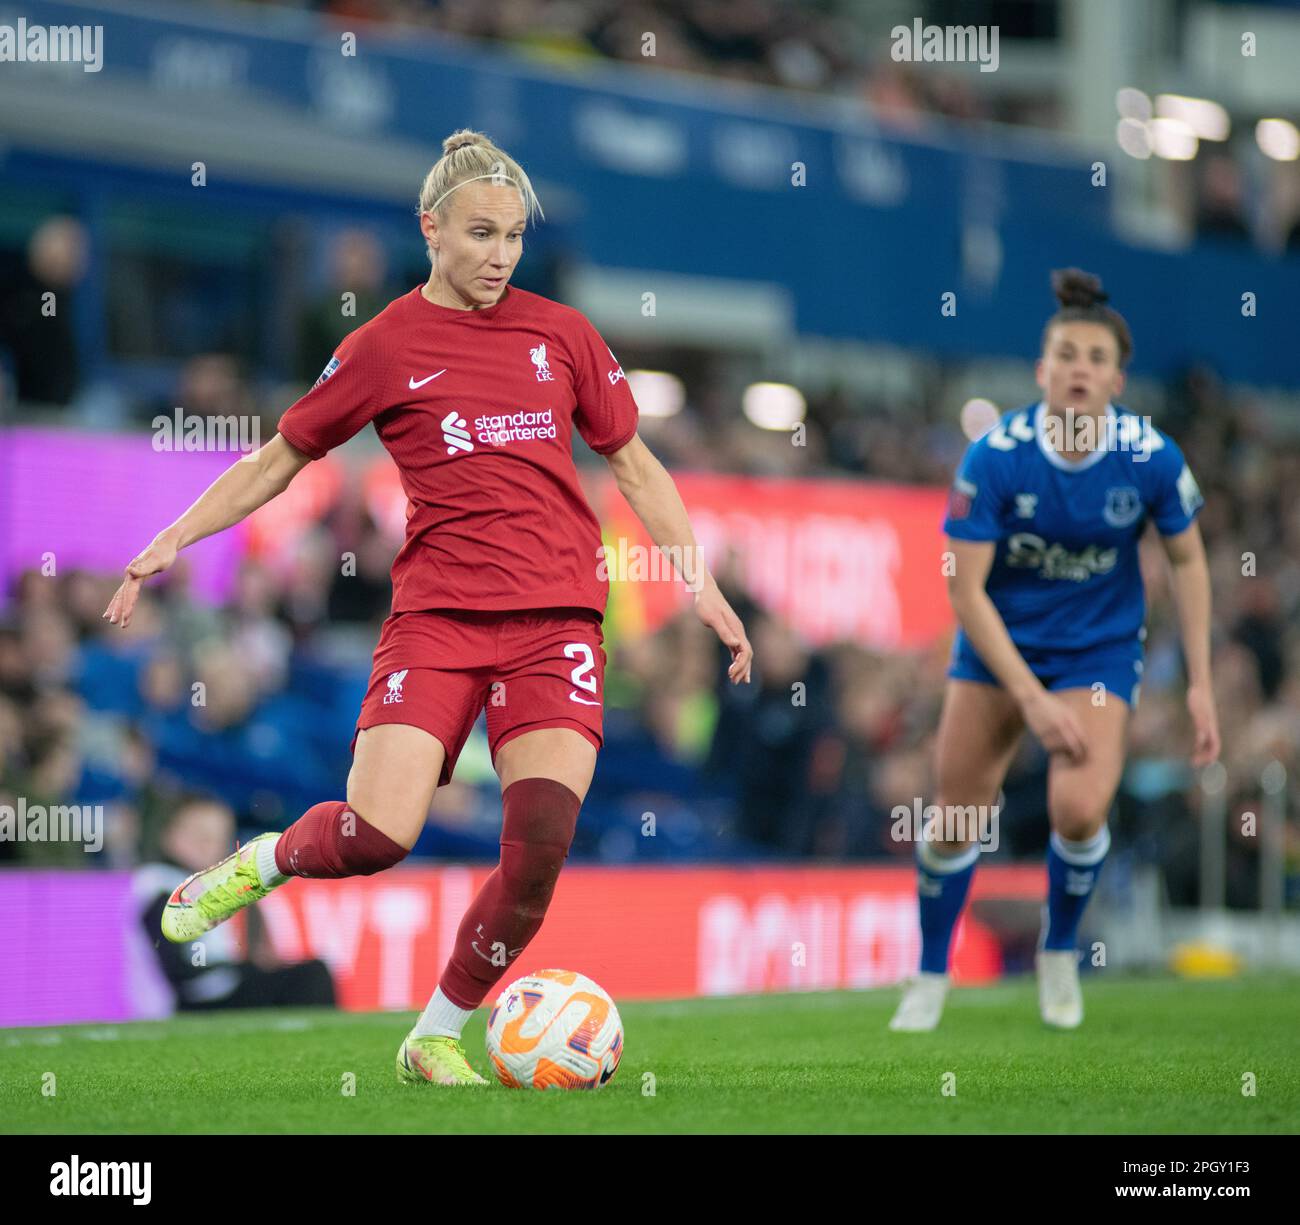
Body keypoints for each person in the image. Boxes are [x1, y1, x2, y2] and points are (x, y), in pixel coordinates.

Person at [103, 129, 752, 1084]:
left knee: (536, 857)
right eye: (482, 234)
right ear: (432, 228)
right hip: (440, 620)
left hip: (558, 624)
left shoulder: (564, 334)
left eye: (515, 237)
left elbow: (635, 464)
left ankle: (435, 1032)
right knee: (378, 836)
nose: (500, 256)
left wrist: (698, 580)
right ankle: (260, 861)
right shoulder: (383, 345)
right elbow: (279, 459)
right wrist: (176, 536)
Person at [889, 268, 1219, 1033]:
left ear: (1117, 378)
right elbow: (965, 593)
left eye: (1096, 358)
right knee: (954, 821)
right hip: (997, 651)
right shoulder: (996, 458)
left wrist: (1200, 682)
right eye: (1066, 354)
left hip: (1097, 654)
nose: (1080, 369)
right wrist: (1030, 699)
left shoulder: (1151, 457)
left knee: (1078, 809)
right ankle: (931, 971)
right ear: (1042, 370)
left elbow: (1192, 560)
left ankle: (1060, 949)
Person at [136, 795, 336, 1011]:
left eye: (218, 837)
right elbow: (181, 971)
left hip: (228, 983)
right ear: (170, 836)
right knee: (311, 976)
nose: (209, 845)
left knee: (311, 972)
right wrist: (242, 970)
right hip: (194, 998)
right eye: (199, 835)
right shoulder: (160, 886)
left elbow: (258, 954)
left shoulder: (229, 884)